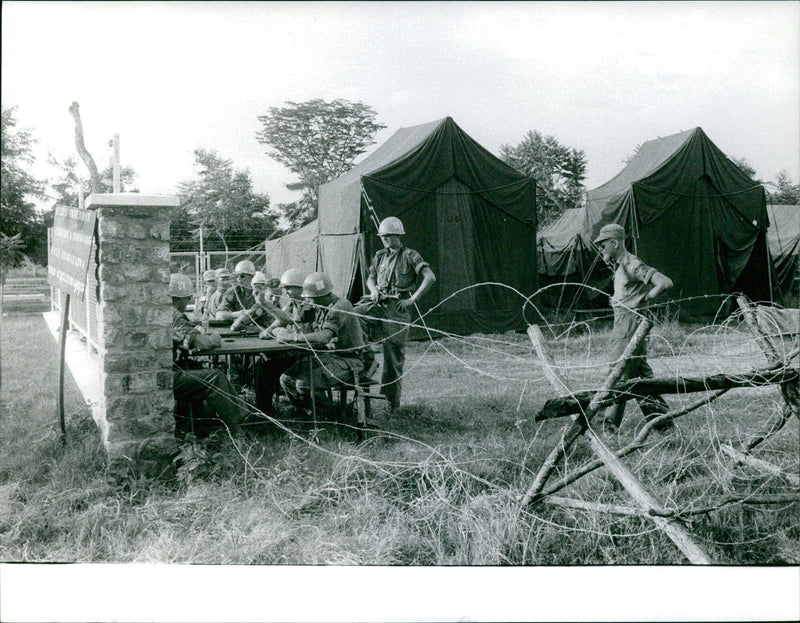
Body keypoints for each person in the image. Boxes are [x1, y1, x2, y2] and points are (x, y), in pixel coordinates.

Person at [593, 223, 674, 433]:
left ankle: (609, 426)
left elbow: (664, 283)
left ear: (615, 242)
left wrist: (644, 298)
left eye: (603, 245)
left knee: (618, 371)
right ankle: (662, 424)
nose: (600, 249)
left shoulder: (631, 263)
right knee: (639, 375)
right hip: (625, 320)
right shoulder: (622, 264)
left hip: (630, 322)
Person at [354, 216, 436, 410]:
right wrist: (373, 289)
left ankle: (392, 404)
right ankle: (367, 359)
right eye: (383, 237)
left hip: (397, 309)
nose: (385, 240)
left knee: (393, 357)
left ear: (398, 235)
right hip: (378, 302)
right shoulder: (380, 255)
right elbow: (370, 279)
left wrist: (412, 299)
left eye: (389, 236)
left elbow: (430, 277)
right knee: (354, 315)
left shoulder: (410, 255)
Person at [278, 271, 368, 421]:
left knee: (303, 384)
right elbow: (291, 320)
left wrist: (293, 337)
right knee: (286, 379)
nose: (310, 302)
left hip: (351, 361)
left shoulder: (340, 306)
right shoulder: (321, 306)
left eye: (312, 299)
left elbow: (324, 337)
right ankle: (310, 412)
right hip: (330, 357)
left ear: (323, 296)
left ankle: (334, 415)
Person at [169, 273, 244, 438]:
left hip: (166, 369)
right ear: (179, 299)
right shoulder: (173, 315)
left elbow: (187, 336)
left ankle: (192, 423)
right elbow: (200, 343)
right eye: (187, 298)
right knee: (216, 377)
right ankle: (237, 431)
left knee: (197, 367)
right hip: (168, 376)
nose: (187, 302)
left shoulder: (166, 313)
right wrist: (214, 339)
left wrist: (196, 334)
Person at [250, 268, 314, 416]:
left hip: (307, 351)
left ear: (300, 287)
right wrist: (269, 329)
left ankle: (266, 411)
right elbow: (282, 319)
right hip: (295, 348)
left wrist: (264, 303)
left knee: (267, 368)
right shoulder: (293, 303)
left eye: (288, 288)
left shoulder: (309, 303)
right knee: (261, 363)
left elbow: (288, 319)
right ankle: (264, 408)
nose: (285, 292)